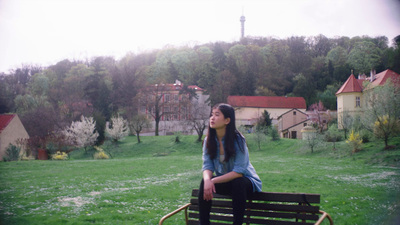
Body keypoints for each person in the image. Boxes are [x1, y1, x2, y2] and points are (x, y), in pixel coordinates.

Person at [199, 103, 262, 225]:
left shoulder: (238, 140)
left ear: (227, 120)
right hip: (226, 182)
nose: (212, 118)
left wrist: (213, 181)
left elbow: (239, 172)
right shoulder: (208, 140)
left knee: (238, 182)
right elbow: (207, 166)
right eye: (212, 115)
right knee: (204, 182)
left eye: (217, 115)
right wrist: (208, 180)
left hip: (246, 182)